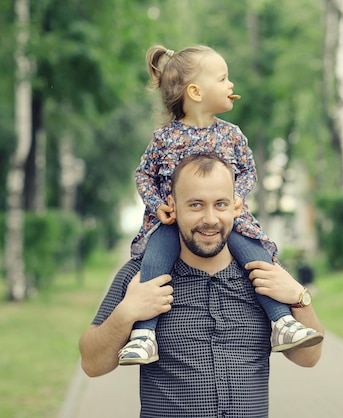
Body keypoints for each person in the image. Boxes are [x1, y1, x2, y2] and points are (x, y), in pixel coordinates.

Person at [119, 44, 322, 365]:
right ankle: (144, 335)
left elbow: (248, 170)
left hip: (231, 219)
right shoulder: (164, 138)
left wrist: (238, 196)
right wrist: (156, 203)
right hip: (173, 221)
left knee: (259, 259)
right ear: (196, 92)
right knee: (154, 267)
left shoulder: (232, 135)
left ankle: (282, 322)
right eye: (224, 78)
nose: (231, 86)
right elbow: (143, 174)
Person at [79, 153, 324, 417]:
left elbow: (308, 358)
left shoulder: (269, 275)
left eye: (220, 204)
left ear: (236, 206)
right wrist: (127, 313)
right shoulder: (140, 278)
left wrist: (300, 297)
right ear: (172, 206)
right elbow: (92, 364)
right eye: (196, 205)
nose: (210, 218)